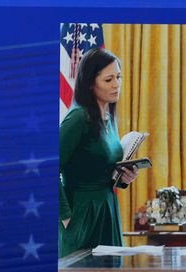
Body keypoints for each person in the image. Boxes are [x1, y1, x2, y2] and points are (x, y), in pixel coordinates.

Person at [59, 48, 139, 258]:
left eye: (119, 77)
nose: (117, 84)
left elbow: (99, 166)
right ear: (90, 83)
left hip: (107, 209)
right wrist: (66, 216)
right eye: (109, 79)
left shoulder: (109, 118)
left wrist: (124, 178)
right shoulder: (77, 118)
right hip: (82, 214)